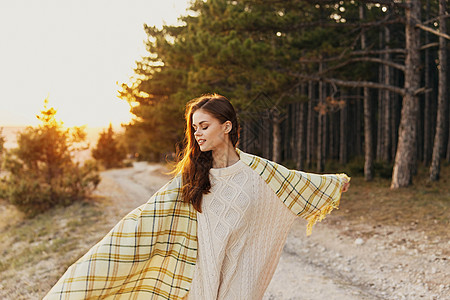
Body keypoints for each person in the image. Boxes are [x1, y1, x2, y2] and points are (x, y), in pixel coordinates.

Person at [44, 93, 350, 300]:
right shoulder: (191, 177)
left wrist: (335, 183)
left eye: (205, 126)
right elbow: (146, 217)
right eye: (195, 128)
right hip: (199, 277)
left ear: (226, 126)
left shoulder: (258, 171)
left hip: (237, 282)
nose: (198, 133)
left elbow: (294, 183)